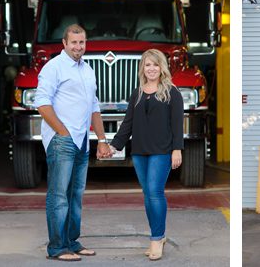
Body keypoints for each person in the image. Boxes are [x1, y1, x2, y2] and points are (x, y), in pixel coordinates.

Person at [100, 48, 183, 261]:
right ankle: (159, 235)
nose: (152, 68)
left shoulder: (172, 92)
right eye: (148, 65)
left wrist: (177, 149)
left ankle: (156, 238)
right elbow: (127, 125)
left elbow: (177, 124)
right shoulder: (136, 94)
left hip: (161, 151)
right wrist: (113, 146)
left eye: (155, 64)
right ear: (142, 68)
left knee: (155, 192)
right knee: (148, 195)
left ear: (161, 67)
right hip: (139, 152)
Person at [36, 24, 107, 262]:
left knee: (75, 195)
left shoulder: (88, 69)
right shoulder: (53, 68)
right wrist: (62, 132)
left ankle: (72, 242)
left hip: (83, 141)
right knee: (59, 196)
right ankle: (57, 247)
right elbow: (42, 104)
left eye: (82, 42)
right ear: (64, 44)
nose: (78, 47)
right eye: (74, 42)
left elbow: (94, 107)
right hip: (62, 140)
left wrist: (102, 139)